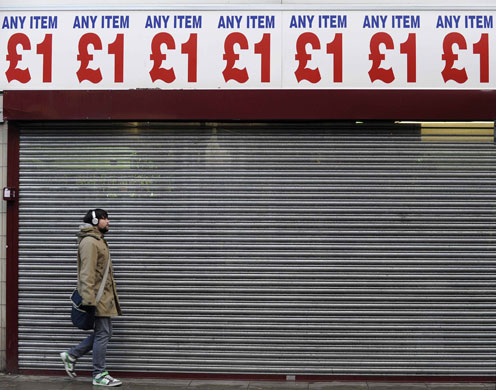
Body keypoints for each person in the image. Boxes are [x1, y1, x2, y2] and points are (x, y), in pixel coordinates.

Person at [60, 209, 122, 387]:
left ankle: (72, 355)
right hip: (96, 297)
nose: (108, 221)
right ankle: (99, 374)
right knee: (103, 333)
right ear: (95, 221)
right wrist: (88, 301)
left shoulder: (98, 240)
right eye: (104, 218)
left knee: (105, 333)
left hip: (103, 297)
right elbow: (86, 274)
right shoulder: (89, 242)